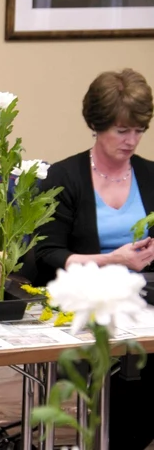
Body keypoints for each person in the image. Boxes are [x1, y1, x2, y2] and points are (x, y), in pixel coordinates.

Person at [35, 68, 154, 449]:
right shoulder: (64, 177)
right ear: (96, 124)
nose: (131, 140)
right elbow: (47, 255)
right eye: (122, 130)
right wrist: (113, 260)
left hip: (147, 301)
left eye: (139, 130)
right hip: (86, 304)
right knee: (125, 387)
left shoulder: (150, 176)